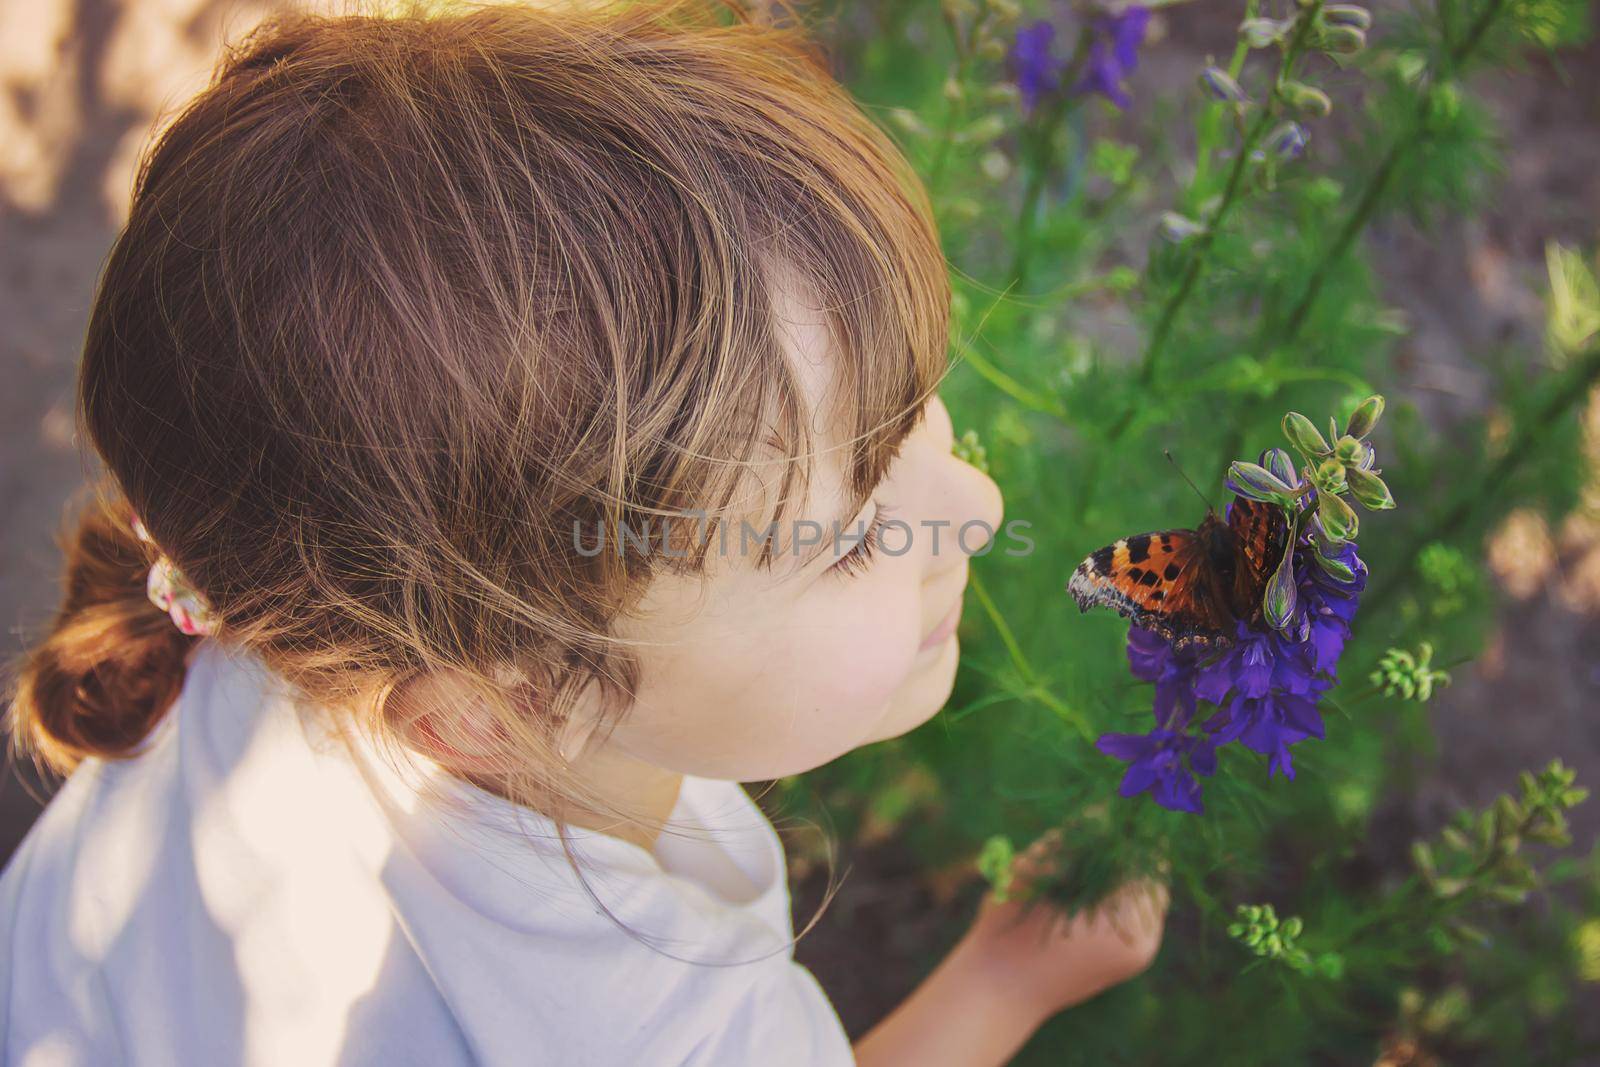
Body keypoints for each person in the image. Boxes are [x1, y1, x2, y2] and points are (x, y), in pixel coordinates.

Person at [0, 2, 1166, 1063]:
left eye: (913, 411)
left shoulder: (320, 596)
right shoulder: (660, 1026)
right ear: (494, 708)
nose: (977, 507)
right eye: (852, 538)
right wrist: (1004, 980)